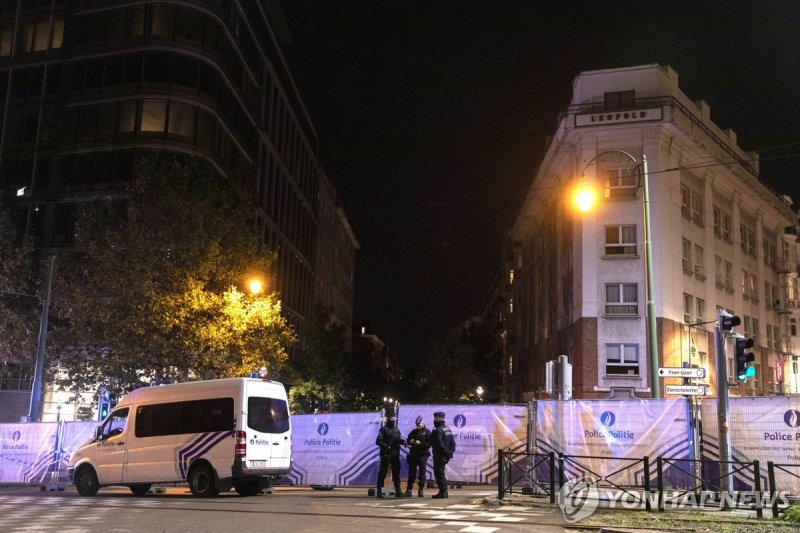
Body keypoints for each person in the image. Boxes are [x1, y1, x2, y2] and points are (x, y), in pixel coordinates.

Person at [375, 415, 406, 498]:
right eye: (391, 419)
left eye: (394, 419)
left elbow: (398, 439)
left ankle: (398, 490)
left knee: (396, 472)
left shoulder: (396, 429)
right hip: (386, 453)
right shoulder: (383, 429)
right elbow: (378, 441)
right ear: (388, 419)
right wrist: (387, 446)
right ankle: (379, 490)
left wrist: (403, 442)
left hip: (395, 453)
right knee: (383, 472)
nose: (393, 420)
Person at [430, 411, 456, 499]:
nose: (434, 420)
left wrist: (446, 452)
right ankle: (444, 492)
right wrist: (450, 452)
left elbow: (439, 444)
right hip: (445, 455)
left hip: (439, 455)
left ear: (438, 418)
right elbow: (453, 443)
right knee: (441, 473)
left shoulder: (438, 430)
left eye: (435, 418)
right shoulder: (447, 428)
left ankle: (443, 492)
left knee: (439, 473)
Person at [404, 415, 431, 497]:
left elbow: (429, 444)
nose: (418, 426)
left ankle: (421, 489)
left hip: (423, 454)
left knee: (422, 472)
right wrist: (410, 441)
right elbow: (408, 440)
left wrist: (421, 443)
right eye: (417, 425)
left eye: (419, 424)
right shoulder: (414, 432)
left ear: (423, 423)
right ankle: (409, 490)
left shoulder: (427, 432)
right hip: (413, 454)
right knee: (411, 472)